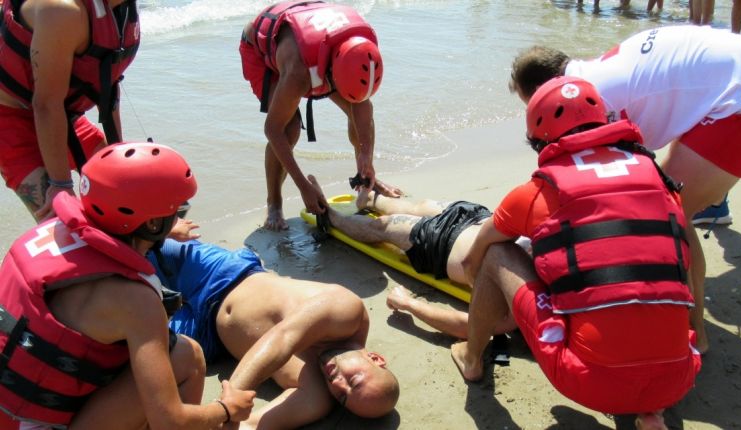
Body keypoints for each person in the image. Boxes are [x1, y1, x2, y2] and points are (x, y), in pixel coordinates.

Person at [451, 77, 701, 430]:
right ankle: (652, 409)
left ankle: (472, 359)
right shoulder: (659, 179)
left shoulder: (540, 191)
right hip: (680, 375)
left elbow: (476, 252)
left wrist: (484, 287)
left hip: (589, 382)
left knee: (496, 254)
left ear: (539, 140)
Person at [508, 24, 741, 353]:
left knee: (670, 213)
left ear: (546, 92)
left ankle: (695, 334)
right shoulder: (594, 74)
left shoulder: (592, 101)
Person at [0, 142, 256, 429]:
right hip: (32, 423)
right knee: (188, 355)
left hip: (11, 406)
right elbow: (169, 420)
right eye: (178, 210)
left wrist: (162, 230)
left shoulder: (45, 233)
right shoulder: (135, 300)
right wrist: (225, 409)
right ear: (153, 224)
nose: (180, 215)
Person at [148, 237, 400, 429]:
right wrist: (229, 403)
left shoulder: (316, 396)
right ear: (375, 358)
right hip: (222, 273)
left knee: (125, 328)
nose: (337, 383)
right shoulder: (347, 312)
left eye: (343, 398)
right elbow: (282, 339)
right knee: (133, 248)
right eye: (353, 381)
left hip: (206, 337)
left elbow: (253, 425)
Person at [239, 0, 402, 231]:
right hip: (263, 50)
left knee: (358, 110)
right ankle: (274, 202)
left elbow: (364, 110)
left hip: (314, 36)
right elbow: (272, 129)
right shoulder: (299, 72)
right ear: (331, 75)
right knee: (289, 128)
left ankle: (366, 179)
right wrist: (303, 186)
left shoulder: (363, 51)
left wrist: (366, 157)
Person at [306, 175, 530, 339]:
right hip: (480, 218)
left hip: (442, 243)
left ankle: (331, 216)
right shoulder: (559, 243)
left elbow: (473, 325)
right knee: (418, 206)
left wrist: (409, 304)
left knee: (382, 228)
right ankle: (369, 200)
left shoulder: (532, 294)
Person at [0, 0, 142, 222]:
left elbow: (107, 83)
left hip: (61, 116)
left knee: (128, 200)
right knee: (66, 224)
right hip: (9, 118)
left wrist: (117, 157)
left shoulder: (122, 9)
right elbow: (45, 104)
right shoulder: (61, 11)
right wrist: (61, 185)